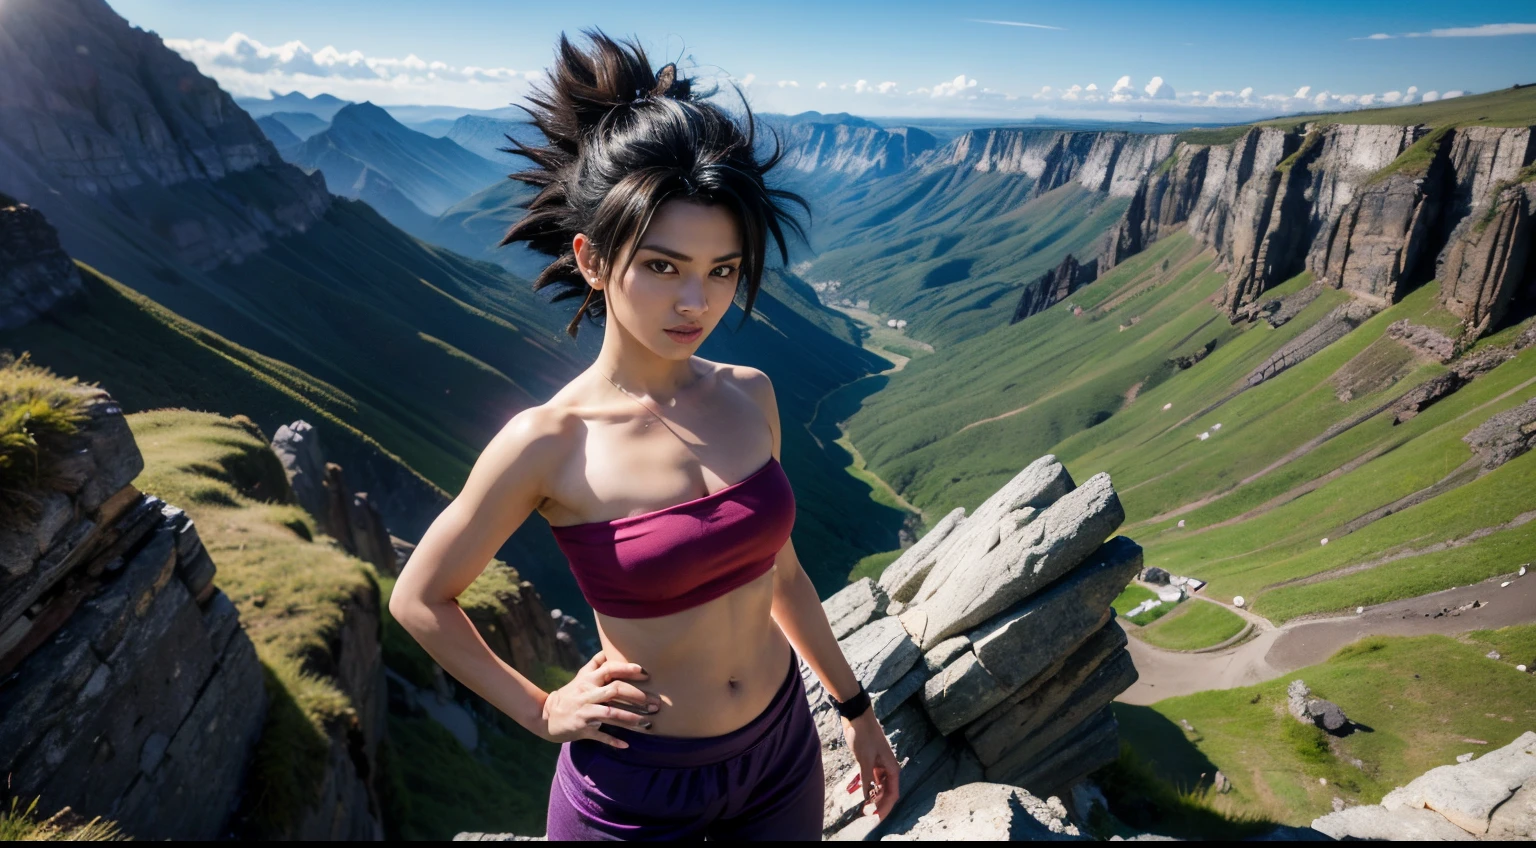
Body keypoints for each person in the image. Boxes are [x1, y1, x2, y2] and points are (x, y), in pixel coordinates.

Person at [389, 29, 901, 841]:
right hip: (634, 788)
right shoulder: (547, 442)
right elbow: (419, 598)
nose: (695, 302)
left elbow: (784, 576)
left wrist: (856, 709)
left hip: (781, 753)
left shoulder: (752, 395)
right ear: (592, 258)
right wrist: (543, 708)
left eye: (722, 270)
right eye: (663, 266)